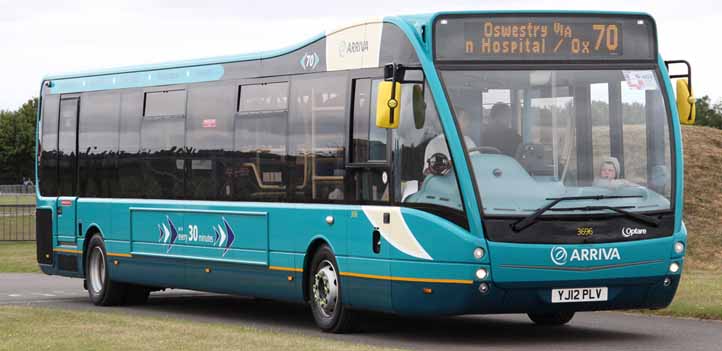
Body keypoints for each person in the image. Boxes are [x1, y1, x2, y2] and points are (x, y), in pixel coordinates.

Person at [422, 109, 476, 175]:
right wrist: (447, 166)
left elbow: (477, 161)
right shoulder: (434, 144)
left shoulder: (468, 140)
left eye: (467, 120)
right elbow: (427, 173)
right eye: (464, 120)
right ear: (453, 122)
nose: (468, 123)